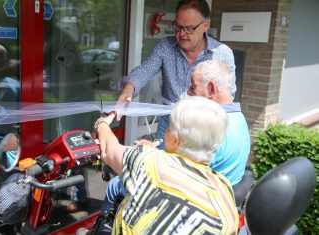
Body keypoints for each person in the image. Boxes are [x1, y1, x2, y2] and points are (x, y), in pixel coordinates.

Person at [93, 96, 238, 234]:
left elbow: (109, 149)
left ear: (175, 140)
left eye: (169, 127)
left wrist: (102, 124)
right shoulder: (224, 188)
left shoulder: (150, 163)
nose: (165, 131)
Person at [117, 0, 235, 148]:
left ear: (206, 25)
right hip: (170, 123)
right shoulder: (166, 47)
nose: (182, 33)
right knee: (162, 165)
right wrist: (128, 89)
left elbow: (228, 100)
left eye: (189, 28)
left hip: (204, 128)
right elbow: (145, 70)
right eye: (178, 27)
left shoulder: (222, 54)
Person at [187, 60, 252, 206]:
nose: (188, 92)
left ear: (211, 89)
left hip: (202, 207)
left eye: (193, 85)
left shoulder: (210, 128)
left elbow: (180, 175)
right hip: (225, 203)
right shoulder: (239, 119)